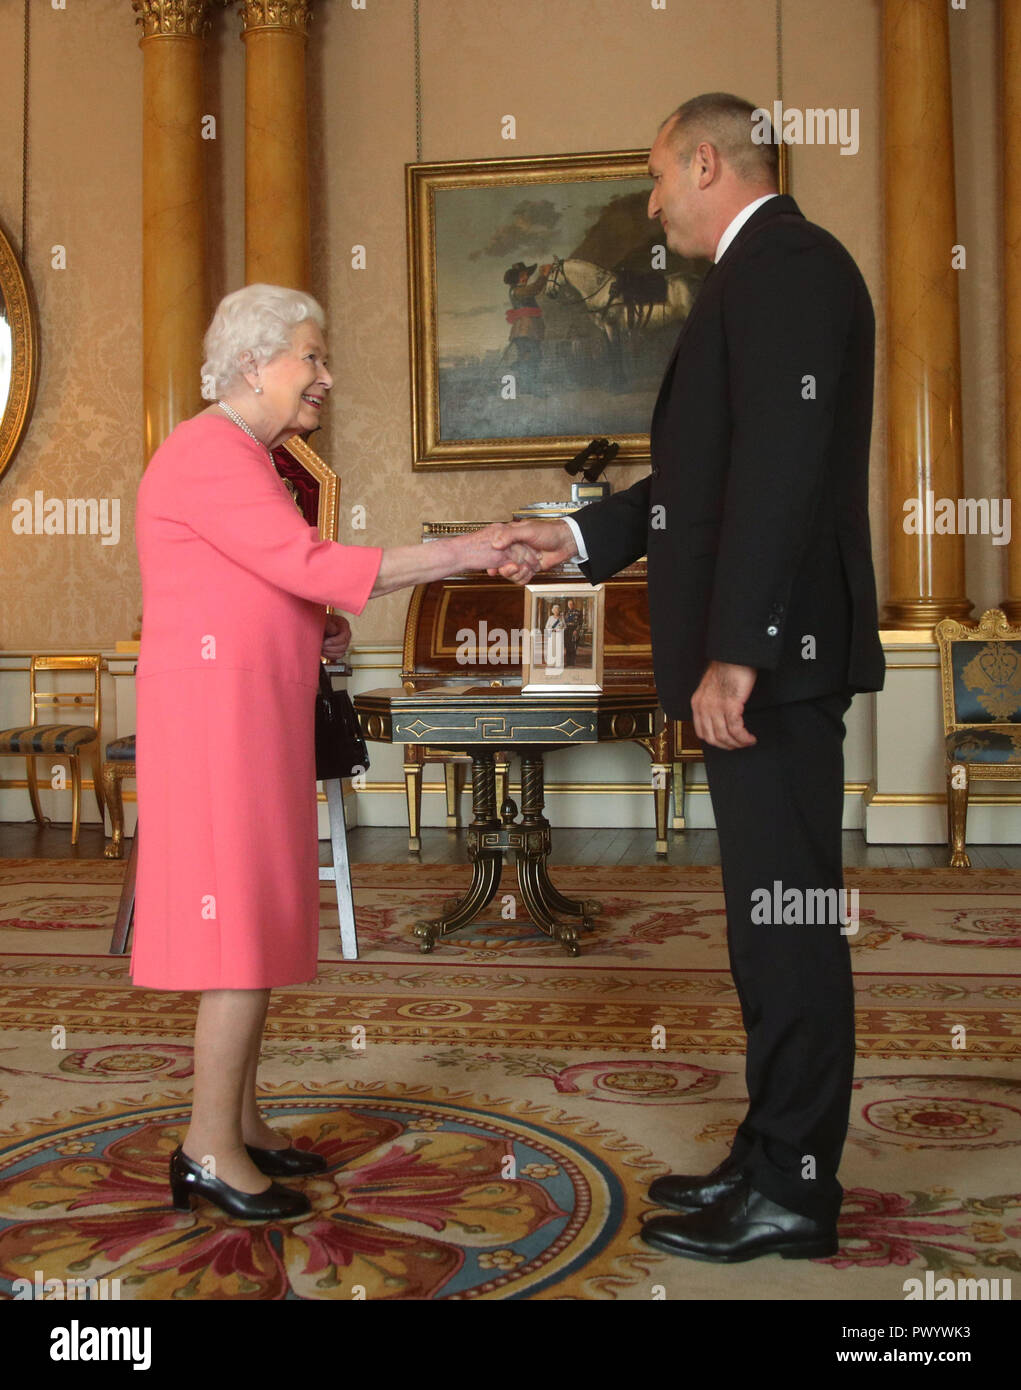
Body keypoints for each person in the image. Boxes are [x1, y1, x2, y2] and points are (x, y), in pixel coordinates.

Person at [497, 93, 884, 1262]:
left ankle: (796, 1191)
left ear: (708, 161)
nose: (652, 198)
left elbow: (786, 472)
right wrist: (575, 539)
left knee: (788, 923)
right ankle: (770, 1160)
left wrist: (741, 651)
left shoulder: (790, 266)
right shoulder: (757, 272)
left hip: (774, 664)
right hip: (764, 658)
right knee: (765, 924)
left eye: (659, 176)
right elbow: (706, 484)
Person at [133, 284, 537, 1222]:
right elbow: (307, 565)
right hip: (218, 727)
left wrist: (311, 628)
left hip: (245, 715)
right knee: (236, 927)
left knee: (261, 913)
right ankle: (206, 1150)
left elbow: (262, 582)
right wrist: (467, 551)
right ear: (251, 364)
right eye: (310, 357)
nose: (325, 376)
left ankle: (242, 1123)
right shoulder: (213, 452)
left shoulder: (238, 454)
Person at [504, 260, 552, 393]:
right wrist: (545, 274)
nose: (525, 278)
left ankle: (528, 386)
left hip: (529, 330)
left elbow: (533, 288)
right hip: (525, 330)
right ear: (516, 278)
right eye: (522, 276)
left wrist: (542, 275)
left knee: (531, 357)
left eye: (526, 275)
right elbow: (535, 288)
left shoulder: (519, 289)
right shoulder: (517, 291)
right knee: (531, 357)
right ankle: (530, 387)